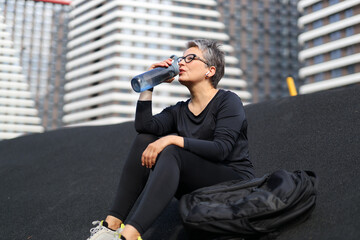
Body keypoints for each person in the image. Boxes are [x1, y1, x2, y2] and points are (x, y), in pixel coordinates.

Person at [86, 39, 255, 240]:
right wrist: (148, 83)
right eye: (181, 58)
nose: (181, 62)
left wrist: (171, 140)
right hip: (197, 185)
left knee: (173, 150)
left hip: (234, 184)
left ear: (210, 71)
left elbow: (222, 149)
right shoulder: (180, 110)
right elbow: (144, 127)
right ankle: (111, 227)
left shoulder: (228, 101)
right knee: (145, 140)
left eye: (190, 58)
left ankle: (129, 236)